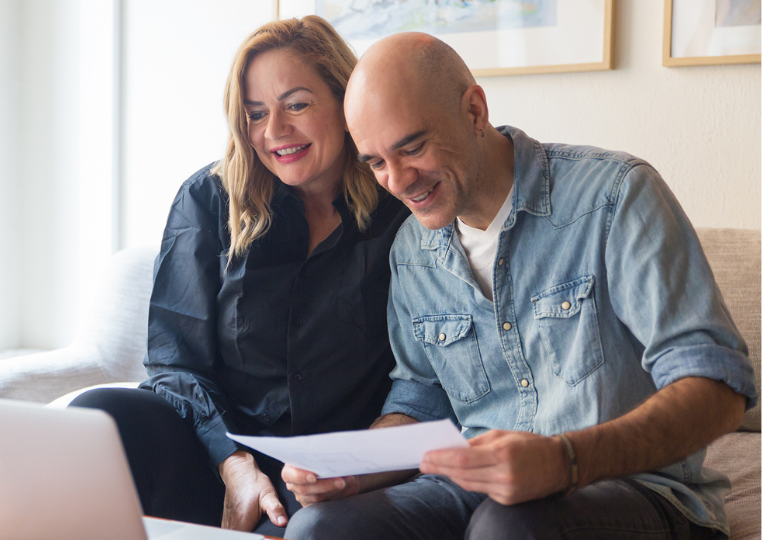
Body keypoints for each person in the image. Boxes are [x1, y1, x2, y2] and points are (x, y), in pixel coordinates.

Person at [282, 32, 758, 540]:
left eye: (412, 147)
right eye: (375, 162)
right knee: (318, 528)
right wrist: (352, 469)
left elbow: (719, 385)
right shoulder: (411, 251)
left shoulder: (615, 198)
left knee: (508, 528)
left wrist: (564, 461)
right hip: (479, 492)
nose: (398, 181)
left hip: (639, 492)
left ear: (473, 110)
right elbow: (422, 401)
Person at [71, 16, 409, 537]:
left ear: (346, 103)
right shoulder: (208, 199)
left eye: (296, 104)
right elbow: (175, 362)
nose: (274, 131)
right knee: (101, 413)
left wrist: (355, 466)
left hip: (328, 471)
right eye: (255, 114)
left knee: (303, 527)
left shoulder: (401, 210)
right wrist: (234, 463)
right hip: (218, 453)